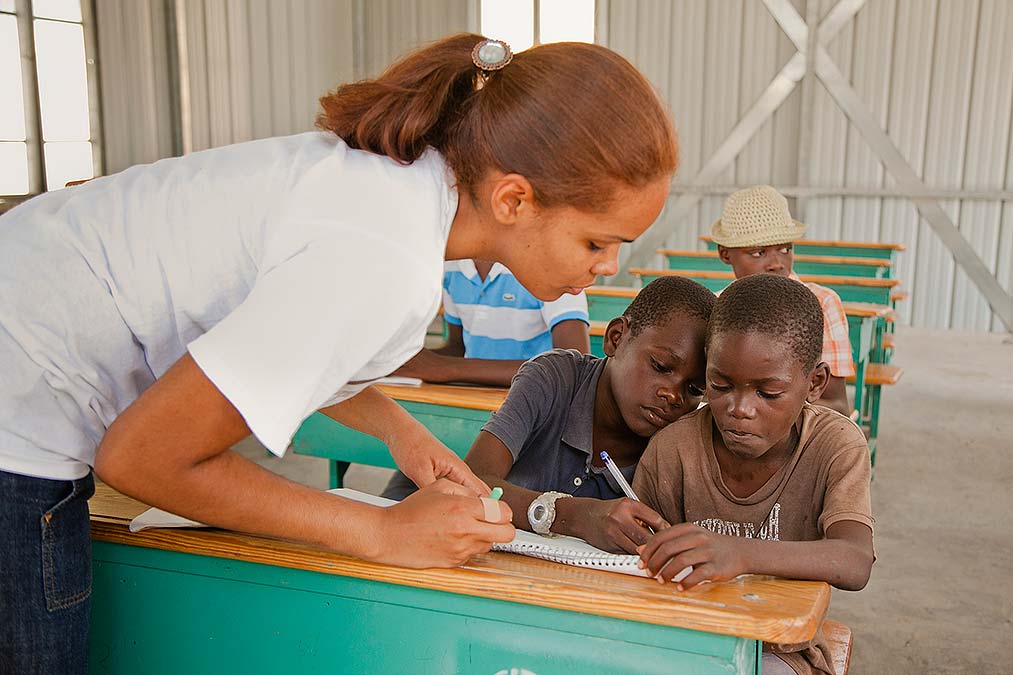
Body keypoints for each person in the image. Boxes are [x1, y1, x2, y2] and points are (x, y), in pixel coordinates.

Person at [0, 33, 678, 674]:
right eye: (596, 242)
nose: (606, 267)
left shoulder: (395, 185)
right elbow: (142, 457)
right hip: (21, 404)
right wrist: (380, 531)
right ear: (513, 198)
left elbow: (285, 331)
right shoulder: (385, 256)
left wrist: (399, 432)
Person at [634, 274, 874, 675]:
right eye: (720, 384)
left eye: (768, 393)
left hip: (780, 652)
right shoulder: (674, 448)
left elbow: (855, 560)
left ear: (814, 383)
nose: (740, 408)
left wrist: (739, 553)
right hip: (682, 638)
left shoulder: (835, 445)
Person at [384, 277, 715, 555]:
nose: (673, 395)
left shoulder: (678, 443)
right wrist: (574, 516)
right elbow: (476, 480)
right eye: (660, 366)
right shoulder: (555, 377)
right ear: (615, 338)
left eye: (694, 389)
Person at [712, 185, 855, 416]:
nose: (777, 263)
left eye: (785, 249)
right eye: (759, 252)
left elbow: (837, 405)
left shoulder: (823, 304)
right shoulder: (715, 307)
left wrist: (763, 414)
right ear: (725, 253)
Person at [394, 258, 590, 387]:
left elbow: (574, 365)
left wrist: (447, 368)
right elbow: (457, 347)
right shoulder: (452, 266)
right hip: (472, 396)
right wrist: (401, 361)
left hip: (536, 403)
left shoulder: (552, 263)